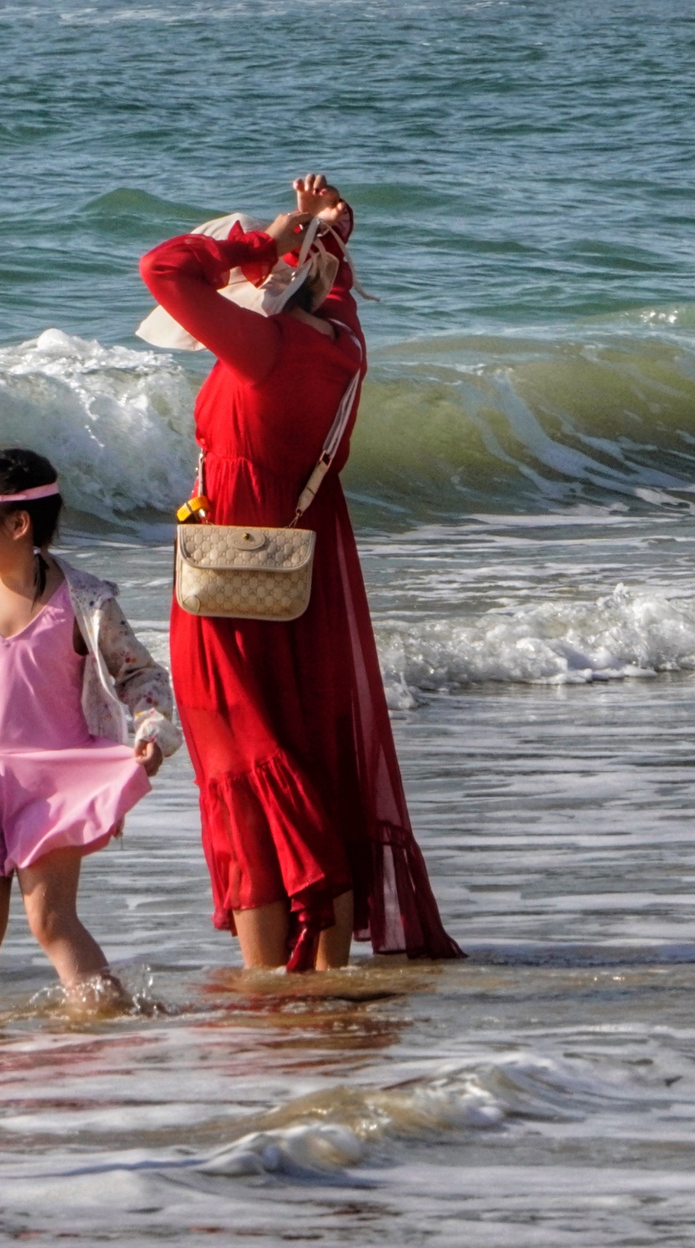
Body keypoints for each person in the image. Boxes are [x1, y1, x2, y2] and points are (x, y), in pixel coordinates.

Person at [138, 174, 462, 971]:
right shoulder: (343, 344)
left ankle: (265, 987)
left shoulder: (264, 349)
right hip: (308, 571)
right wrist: (324, 228)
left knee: (241, 760)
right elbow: (333, 281)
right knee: (304, 751)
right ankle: (329, 976)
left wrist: (263, 239)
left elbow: (163, 268)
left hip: (230, 575)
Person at [0, 448, 179, 1015]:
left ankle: (109, 1021)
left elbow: (139, 673)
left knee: (49, 919)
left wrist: (152, 724)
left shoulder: (85, 602)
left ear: (19, 523)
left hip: (55, 784)